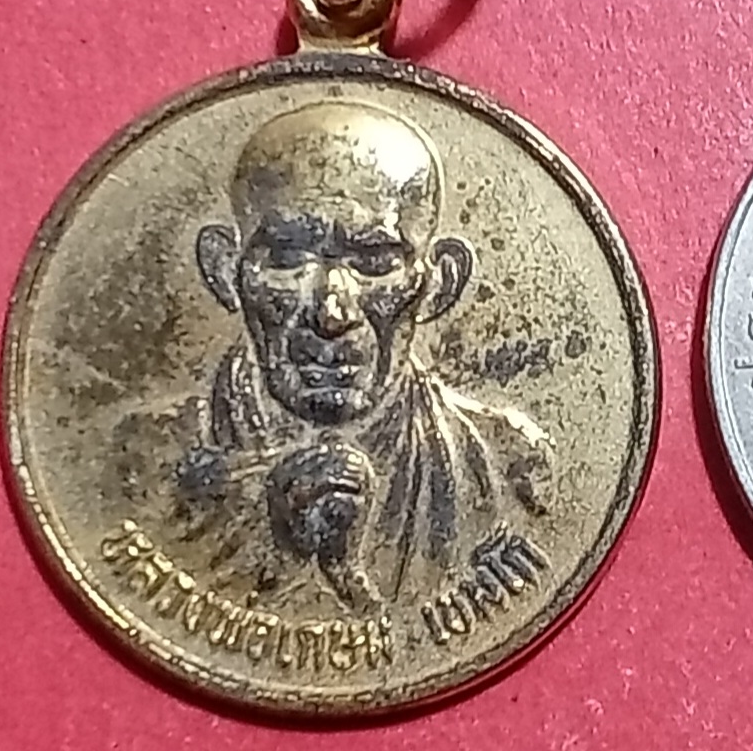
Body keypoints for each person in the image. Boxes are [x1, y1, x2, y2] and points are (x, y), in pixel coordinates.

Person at [154, 100, 552, 614]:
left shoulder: (508, 465)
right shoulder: (140, 461)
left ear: (438, 284)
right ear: (227, 271)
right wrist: (254, 530)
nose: (332, 312)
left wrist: (351, 583)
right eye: (287, 258)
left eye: (375, 263)